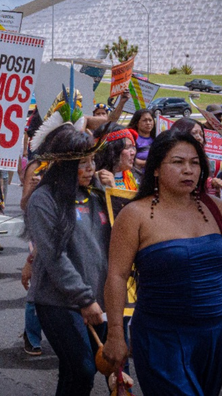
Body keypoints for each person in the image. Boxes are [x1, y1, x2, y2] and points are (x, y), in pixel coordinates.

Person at [102, 129, 222, 395]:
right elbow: (117, 276)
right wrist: (115, 334)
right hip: (161, 340)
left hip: (214, 337)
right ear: (155, 169)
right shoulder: (135, 215)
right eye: (178, 162)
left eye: (195, 163)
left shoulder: (215, 207)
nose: (189, 170)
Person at [25, 125, 110, 396]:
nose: (90, 169)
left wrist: (113, 197)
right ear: (63, 165)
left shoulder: (97, 194)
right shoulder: (43, 200)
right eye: (82, 163)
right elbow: (54, 257)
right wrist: (84, 299)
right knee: (83, 368)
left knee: (85, 371)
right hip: (58, 301)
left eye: (92, 161)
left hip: (99, 299)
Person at [94, 124, 139, 191]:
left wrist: (114, 187)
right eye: (127, 147)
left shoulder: (132, 177)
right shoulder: (96, 178)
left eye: (133, 147)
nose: (133, 153)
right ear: (112, 151)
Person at [127, 108, 155, 176]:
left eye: (150, 120)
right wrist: (147, 163)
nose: (148, 123)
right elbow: (126, 158)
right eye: (144, 120)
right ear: (137, 123)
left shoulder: (157, 138)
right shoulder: (130, 139)